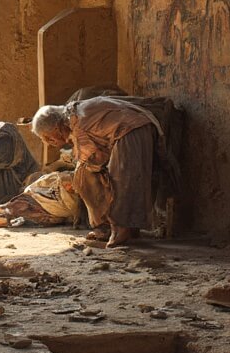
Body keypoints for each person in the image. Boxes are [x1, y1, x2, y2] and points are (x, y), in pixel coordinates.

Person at [31, 97, 162, 247]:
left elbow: (91, 160)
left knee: (97, 177)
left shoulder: (78, 124)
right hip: (132, 129)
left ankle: (120, 228)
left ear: (57, 129)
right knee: (85, 176)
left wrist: (77, 179)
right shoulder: (73, 114)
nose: (49, 143)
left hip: (132, 130)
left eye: (47, 138)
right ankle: (107, 227)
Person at [0, 171, 81, 228]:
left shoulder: (73, 195)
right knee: (17, 208)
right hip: (37, 200)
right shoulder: (54, 183)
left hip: (46, 205)